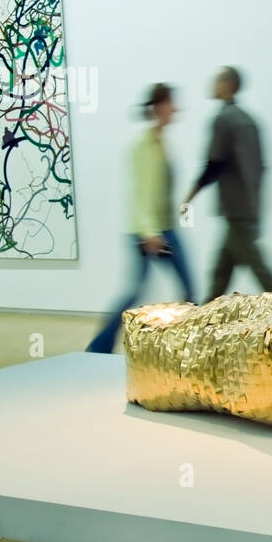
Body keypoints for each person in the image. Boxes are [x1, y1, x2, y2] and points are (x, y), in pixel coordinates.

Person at [87, 84, 195, 353]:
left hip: (165, 228)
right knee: (137, 291)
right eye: (171, 103)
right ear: (159, 107)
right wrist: (149, 233)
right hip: (148, 232)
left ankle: (189, 346)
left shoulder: (160, 142)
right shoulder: (144, 146)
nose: (175, 108)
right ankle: (98, 348)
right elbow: (143, 192)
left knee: (189, 290)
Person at [181, 66, 272, 301]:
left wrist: (189, 197)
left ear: (229, 85)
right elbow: (261, 166)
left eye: (217, 80)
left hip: (236, 208)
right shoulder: (249, 121)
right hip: (248, 205)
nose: (213, 84)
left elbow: (214, 165)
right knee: (221, 271)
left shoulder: (223, 120)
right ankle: (206, 316)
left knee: (260, 269)